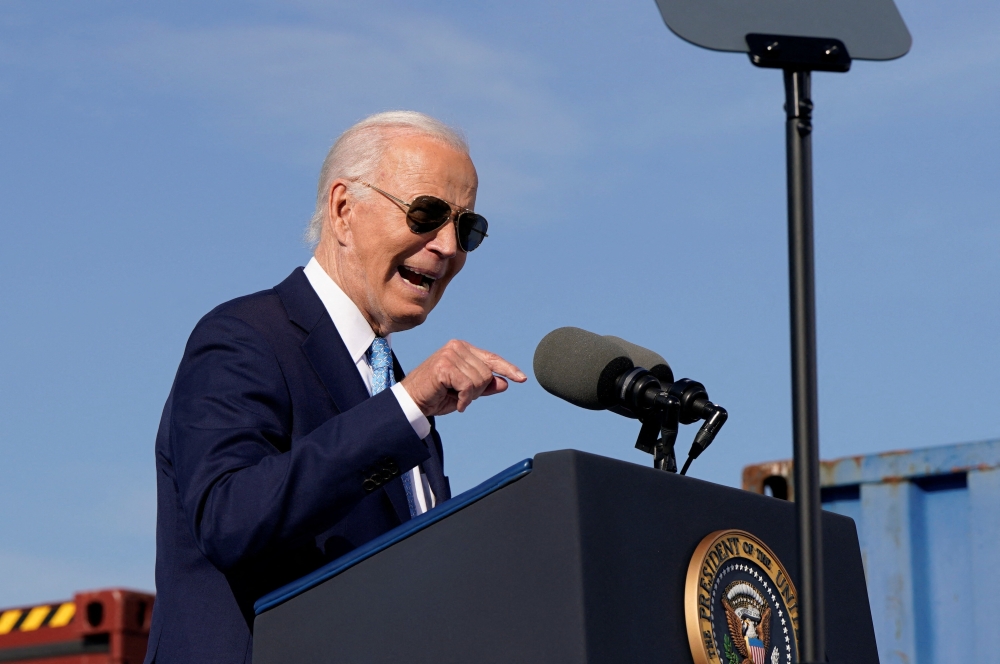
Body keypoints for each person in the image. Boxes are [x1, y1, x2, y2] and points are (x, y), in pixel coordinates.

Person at [143, 111, 526, 663]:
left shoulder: (393, 390)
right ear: (343, 210)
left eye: (466, 228)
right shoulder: (244, 338)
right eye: (427, 214)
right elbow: (230, 518)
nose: (447, 246)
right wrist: (407, 406)